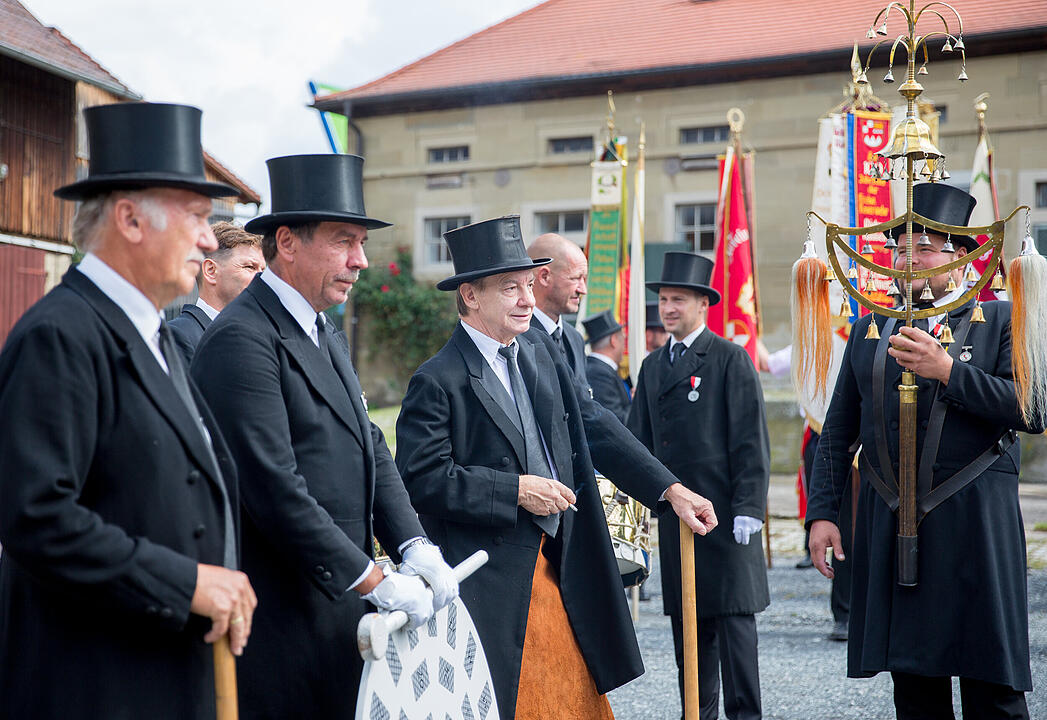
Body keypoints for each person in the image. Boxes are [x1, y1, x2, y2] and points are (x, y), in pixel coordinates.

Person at [395, 216, 718, 719]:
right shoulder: (436, 380)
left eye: (528, 285)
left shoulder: (539, 350)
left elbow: (592, 423)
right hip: (492, 588)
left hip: (562, 568)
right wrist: (514, 489)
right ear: (470, 296)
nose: (528, 299)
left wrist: (669, 489)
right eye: (511, 289)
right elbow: (421, 481)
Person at [0, 102, 256, 720]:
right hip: (95, 683)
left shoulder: (153, 331)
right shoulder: (60, 335)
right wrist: (187, 582)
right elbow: (35, 518)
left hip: (163, 669)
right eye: (196, 216)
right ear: (131, 219)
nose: (206, 238)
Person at [191, 154, 456, 719]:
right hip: (282, 619)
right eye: (343, 241)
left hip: (339, 611)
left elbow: (370, 446)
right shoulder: (242, 339)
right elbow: (273, 486)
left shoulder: (323, 330)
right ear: (286, 242)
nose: (360, 260)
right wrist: (373, 579)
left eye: (360, 242)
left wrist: (413, 543)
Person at [807, 182, 1041, 719]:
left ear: (962, 256)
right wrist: (822, 513)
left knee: (992, 683)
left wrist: (948, 372)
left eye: (925, 247)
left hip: (975, 522)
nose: (909, 260)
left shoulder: (1003, 319)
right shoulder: (869, 328)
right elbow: (838, 431)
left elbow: (1031, 411)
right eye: (899, 249)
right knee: (913, 684)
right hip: (894, 523)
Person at [628, 251, 770, 720]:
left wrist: (750, 504)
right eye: (664, 299)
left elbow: (751, 440)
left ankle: (745, 715)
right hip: (677, 518)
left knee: (734, 630)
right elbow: (636, 445)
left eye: (678, 300)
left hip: (725, 516)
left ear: (702, 304)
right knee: (689, 633)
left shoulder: (729, 359)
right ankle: (697, 714)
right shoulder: (652, 367)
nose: (668, 308)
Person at [168, 221, 265, 365]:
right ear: (210, 271)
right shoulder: (179, 336)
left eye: (263, 270)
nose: (261, 278)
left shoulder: (260, 338)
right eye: (250, 267)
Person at [527, 232, 589, 383]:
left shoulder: (574, 338)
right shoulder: (515, 337)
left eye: (584, 279)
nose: (583, 290)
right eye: (575, 278)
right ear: (544, 277)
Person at [583, 309, 630, 423]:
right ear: (613, 340)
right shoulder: (599, 374)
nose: (624, 345)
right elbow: (616, 421)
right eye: (623, 338)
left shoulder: (598, 369)